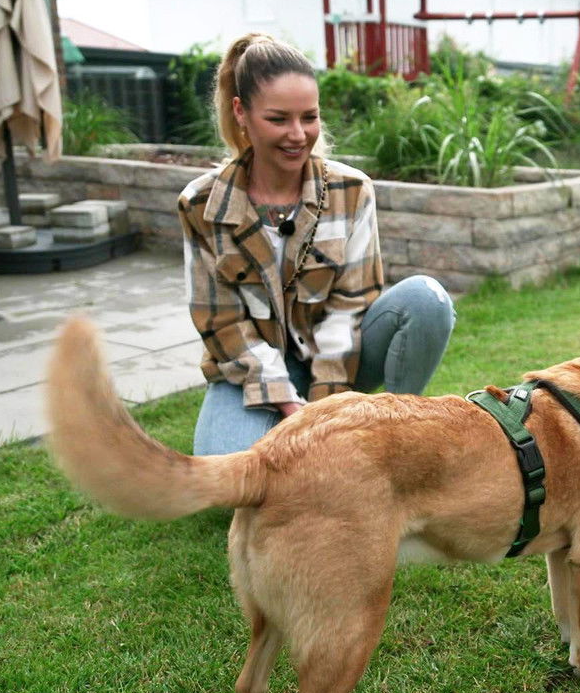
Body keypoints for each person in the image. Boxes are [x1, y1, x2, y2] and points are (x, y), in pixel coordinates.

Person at [179, 33, 456, 456]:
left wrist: (327, 411)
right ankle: (281, 425)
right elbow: (223, 325)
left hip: (342, 356)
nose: (298, 134)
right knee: (224, 468)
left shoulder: (351, 190)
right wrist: (291, 404)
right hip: (252, 365)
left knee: (427, 300)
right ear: (241, 112)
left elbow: (351, 307)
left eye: (309, 117)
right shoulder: (200, 204)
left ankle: (400, 433)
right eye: (279, 119)